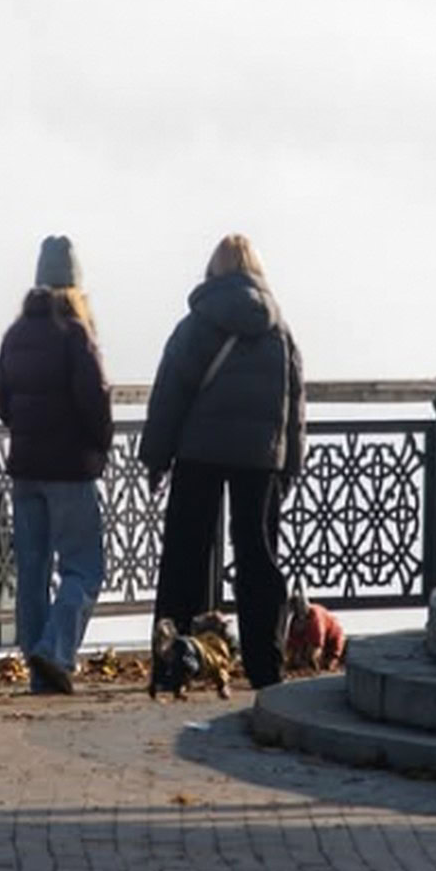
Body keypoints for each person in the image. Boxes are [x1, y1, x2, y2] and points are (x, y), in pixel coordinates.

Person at [140, 233, 306, 691]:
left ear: (214, 271)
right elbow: (294, 403)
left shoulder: (198, 323)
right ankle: (264, 666)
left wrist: (156, 455)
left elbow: (170, 392)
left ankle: (172, 661)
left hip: (200, 452)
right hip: (259, 457)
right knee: (259, 558)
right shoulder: (279, 328)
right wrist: (290, 462)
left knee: (184, 557)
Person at [0, 235, 113, 694]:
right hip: (70, 469)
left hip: (25, 467)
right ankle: (56, 650)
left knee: (33, 568)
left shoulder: (16, 333)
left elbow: (2, 400)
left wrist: (27, 429)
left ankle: (38, 667)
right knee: (84, 567)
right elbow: (95, 401)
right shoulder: (76, 334)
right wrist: (97, 446)